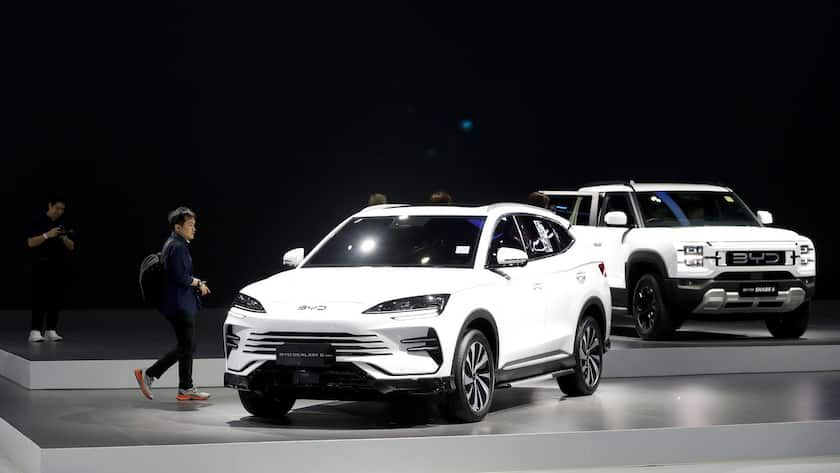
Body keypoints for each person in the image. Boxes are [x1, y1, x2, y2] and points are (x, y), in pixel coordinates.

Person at [134, 207, 211, 401]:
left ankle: (185, 387)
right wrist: (198, 283)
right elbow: (179, 277)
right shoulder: (177, 247)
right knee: (187, 346)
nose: (194, 229)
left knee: (187, 345)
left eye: (194, 225)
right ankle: (149, 374)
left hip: (178, 303)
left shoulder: (175, 244)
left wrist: (195, 282)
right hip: (179, 305)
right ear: (178, 227)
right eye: (190, 225)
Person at [26, 197, 75, 342]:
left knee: (56, 298)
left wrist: (64, 238)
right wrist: (47, 235)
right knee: (39, 298)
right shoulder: (37, 221)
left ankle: (50, 330)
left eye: (62, 209)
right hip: (41, 265)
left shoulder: (62, 223)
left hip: (58, 265)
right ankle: (35, 331)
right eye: (57, 208)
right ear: (50, 206)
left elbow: (72, 246)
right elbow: (30, 243)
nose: (59, 211)